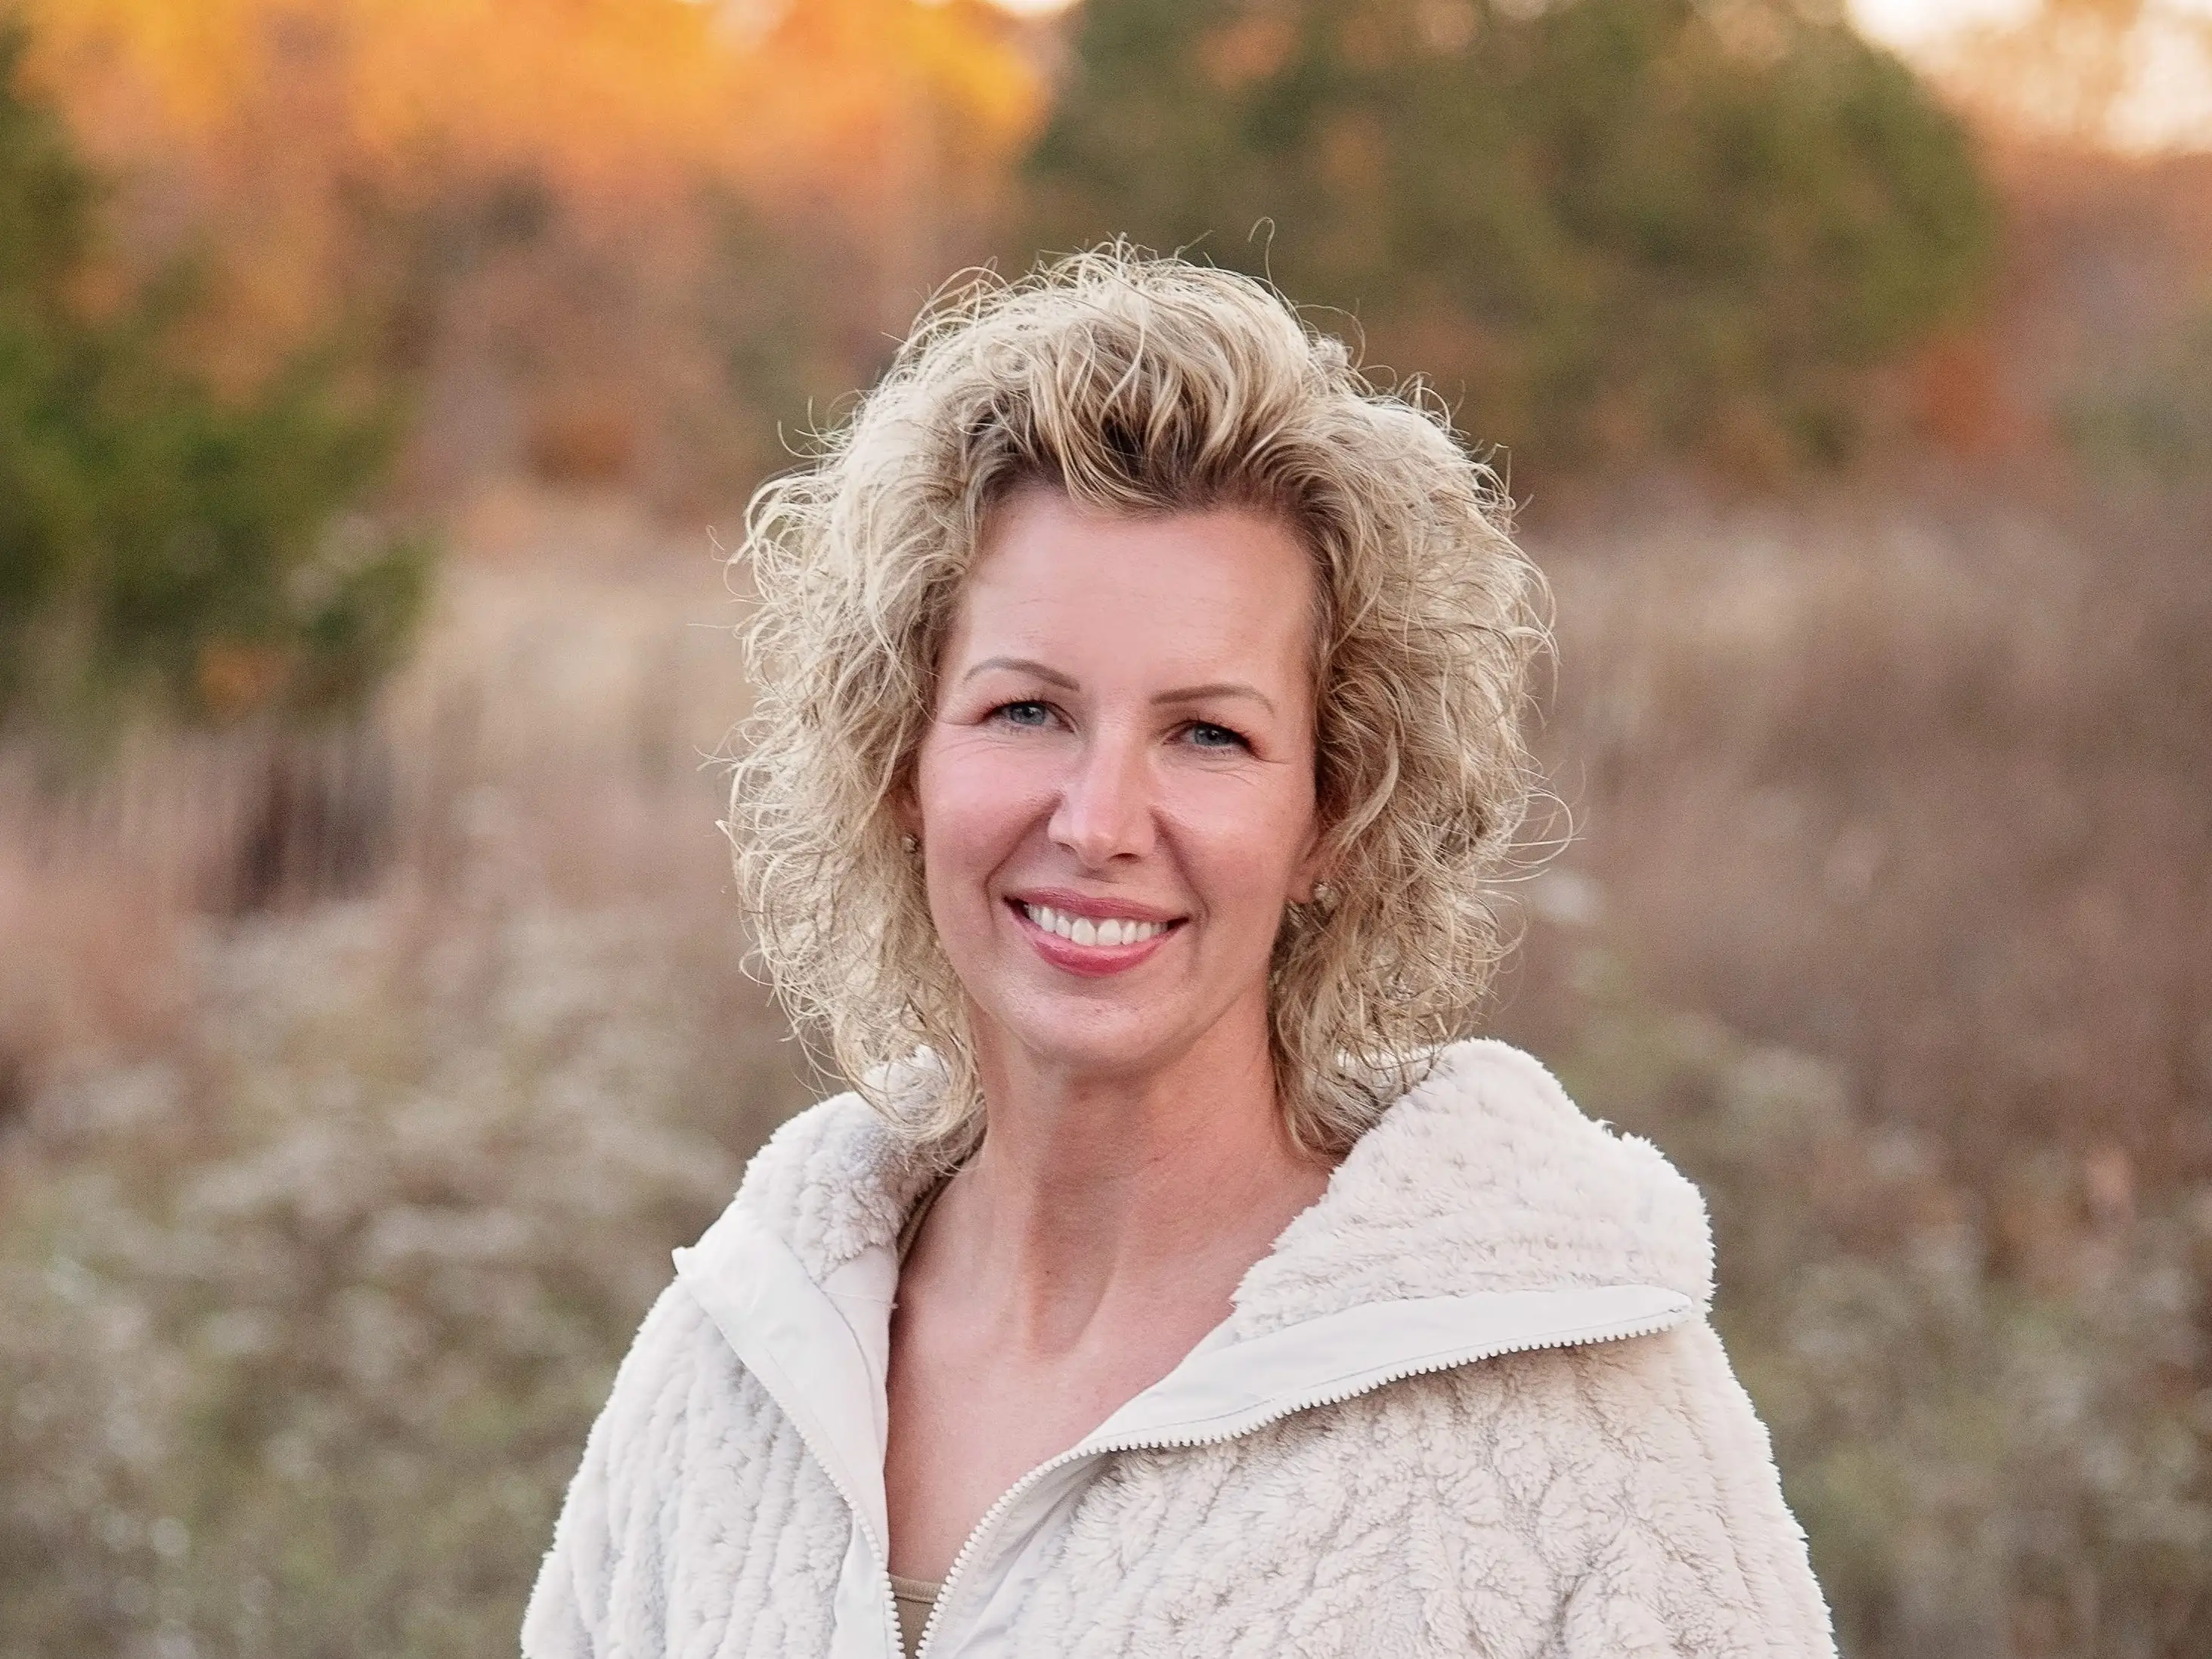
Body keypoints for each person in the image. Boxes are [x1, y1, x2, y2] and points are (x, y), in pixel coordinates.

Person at [522, 249, 1835, 1658]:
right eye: (1025, 711)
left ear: (1331, 813)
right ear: (903, 761)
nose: (1095, 822)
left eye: (1208, 734)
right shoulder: (739, 1355)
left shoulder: (1573, 1409)